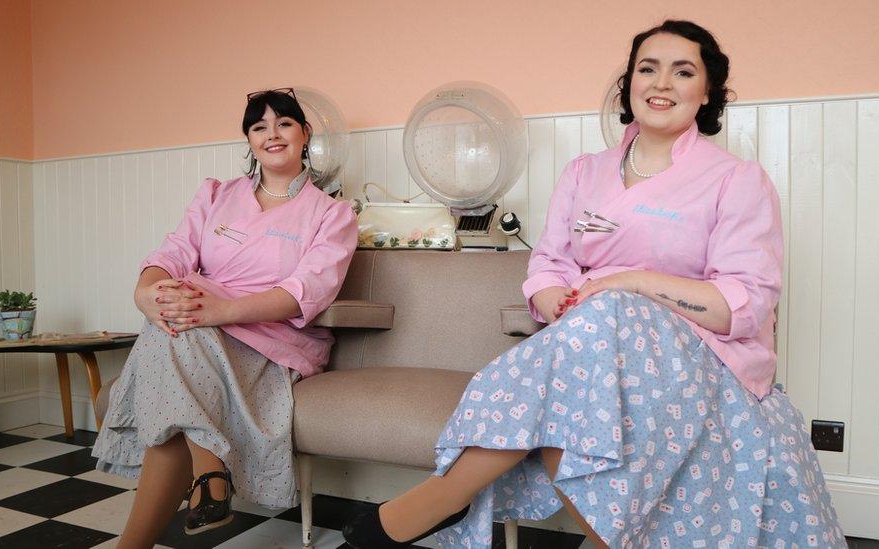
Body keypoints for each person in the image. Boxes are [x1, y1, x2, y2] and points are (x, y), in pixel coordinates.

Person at [342, 20, 844, 549]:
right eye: (647, 69)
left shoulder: (736, 181)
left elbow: (741, 307)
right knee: (590, 341)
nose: (662, 83)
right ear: (628, 83)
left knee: (608, 315)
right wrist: (551, 297)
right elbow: (547, 266)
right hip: (592, 349)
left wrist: (630, 283)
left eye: (683, 71)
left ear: (708, 92)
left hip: (699, 359)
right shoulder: (584, 172)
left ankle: (439, 500)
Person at [91, 88, 358, 548]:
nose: (272, 135)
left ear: (305, 133)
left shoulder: (331, 214)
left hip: (271, 339)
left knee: (179, 331)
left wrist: (219, 310)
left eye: (284, 124)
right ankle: (209, 472)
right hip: (197, 326)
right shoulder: (217, 195)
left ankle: (157, 522)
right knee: (178, 326)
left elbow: (305, 292)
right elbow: (173, 253)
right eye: (259, 127)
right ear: (249, 140)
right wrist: (146, 294)